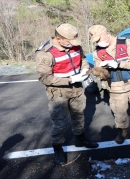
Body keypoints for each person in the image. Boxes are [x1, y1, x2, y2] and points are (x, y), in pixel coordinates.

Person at [35, 23, 98, 165]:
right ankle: (57, 148)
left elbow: (83, 61)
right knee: (60, 123)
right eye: (69, 41)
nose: (73, 44)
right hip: (59, 93)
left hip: (76, 89)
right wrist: (70, 79)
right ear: (59, 39)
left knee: (79, 116)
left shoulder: (75, 46)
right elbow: (44, 78)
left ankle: (80, 139)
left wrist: (85, 71)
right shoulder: (46, 53)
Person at [88, 25, 130, 147]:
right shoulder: (98, 52)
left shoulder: (127, 43)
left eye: (100, 39)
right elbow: (102, 73)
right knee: (119, 112)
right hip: (115, 85)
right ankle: (122, 132)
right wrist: (97, 71)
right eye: (96, 41)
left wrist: (118, 64)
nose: (98, 42)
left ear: (107, 33)